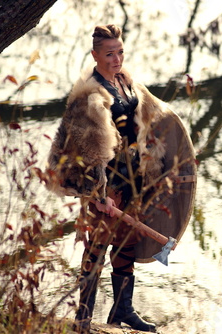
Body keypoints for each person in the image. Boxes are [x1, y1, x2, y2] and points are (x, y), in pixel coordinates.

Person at [49, 24, 173, 333]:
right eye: (109, 54)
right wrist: (99, 193)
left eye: (120, 52)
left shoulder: (124, 81)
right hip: (107, 181)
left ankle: (122, 311)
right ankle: (83, 318)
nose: (117, 59)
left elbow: (146, 120)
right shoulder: (88, 94)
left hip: (131, 175)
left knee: (126, 245)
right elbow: (86, 149)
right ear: (95, 55)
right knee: (98, 246)